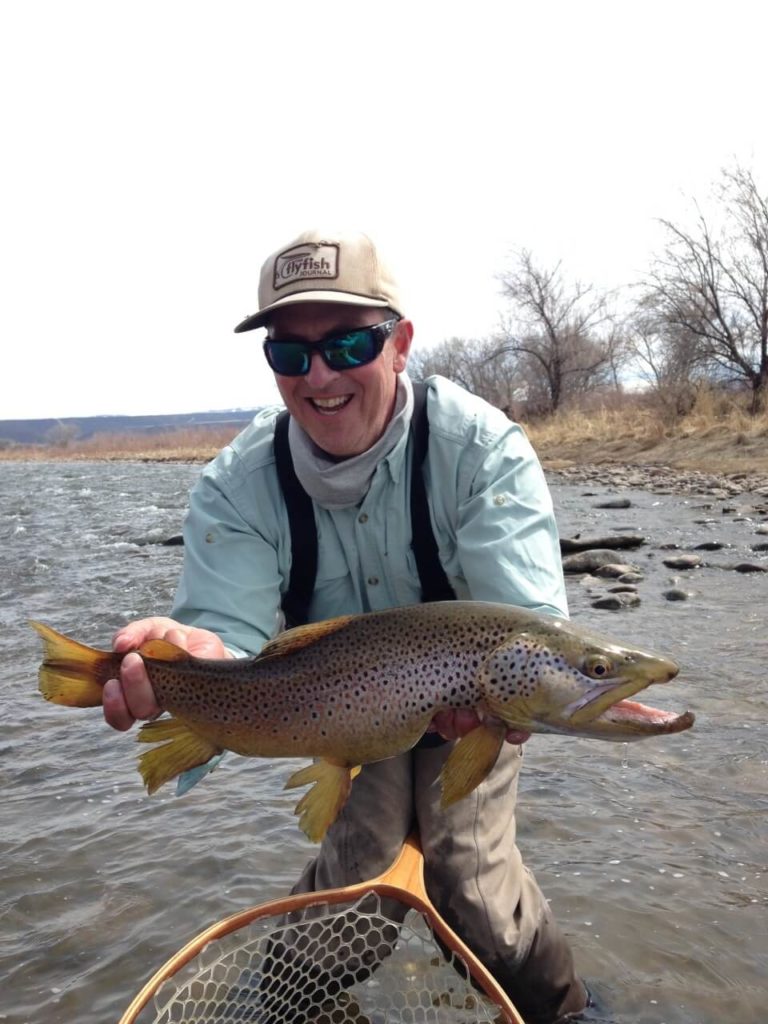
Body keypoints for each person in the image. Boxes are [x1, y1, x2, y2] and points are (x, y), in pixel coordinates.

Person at [102, 228, 590, 1024]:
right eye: (290, 354)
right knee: (356, 881)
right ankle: (281, 1005)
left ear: (400, 344)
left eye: (348, 345)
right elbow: (227, 637)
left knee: (468, 879)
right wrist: (193, 660)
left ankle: (564, 1010)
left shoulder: (481, 451)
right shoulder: (236, 487)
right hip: (336, 709)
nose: (319, 376)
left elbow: (530, 639)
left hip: (472, 706)